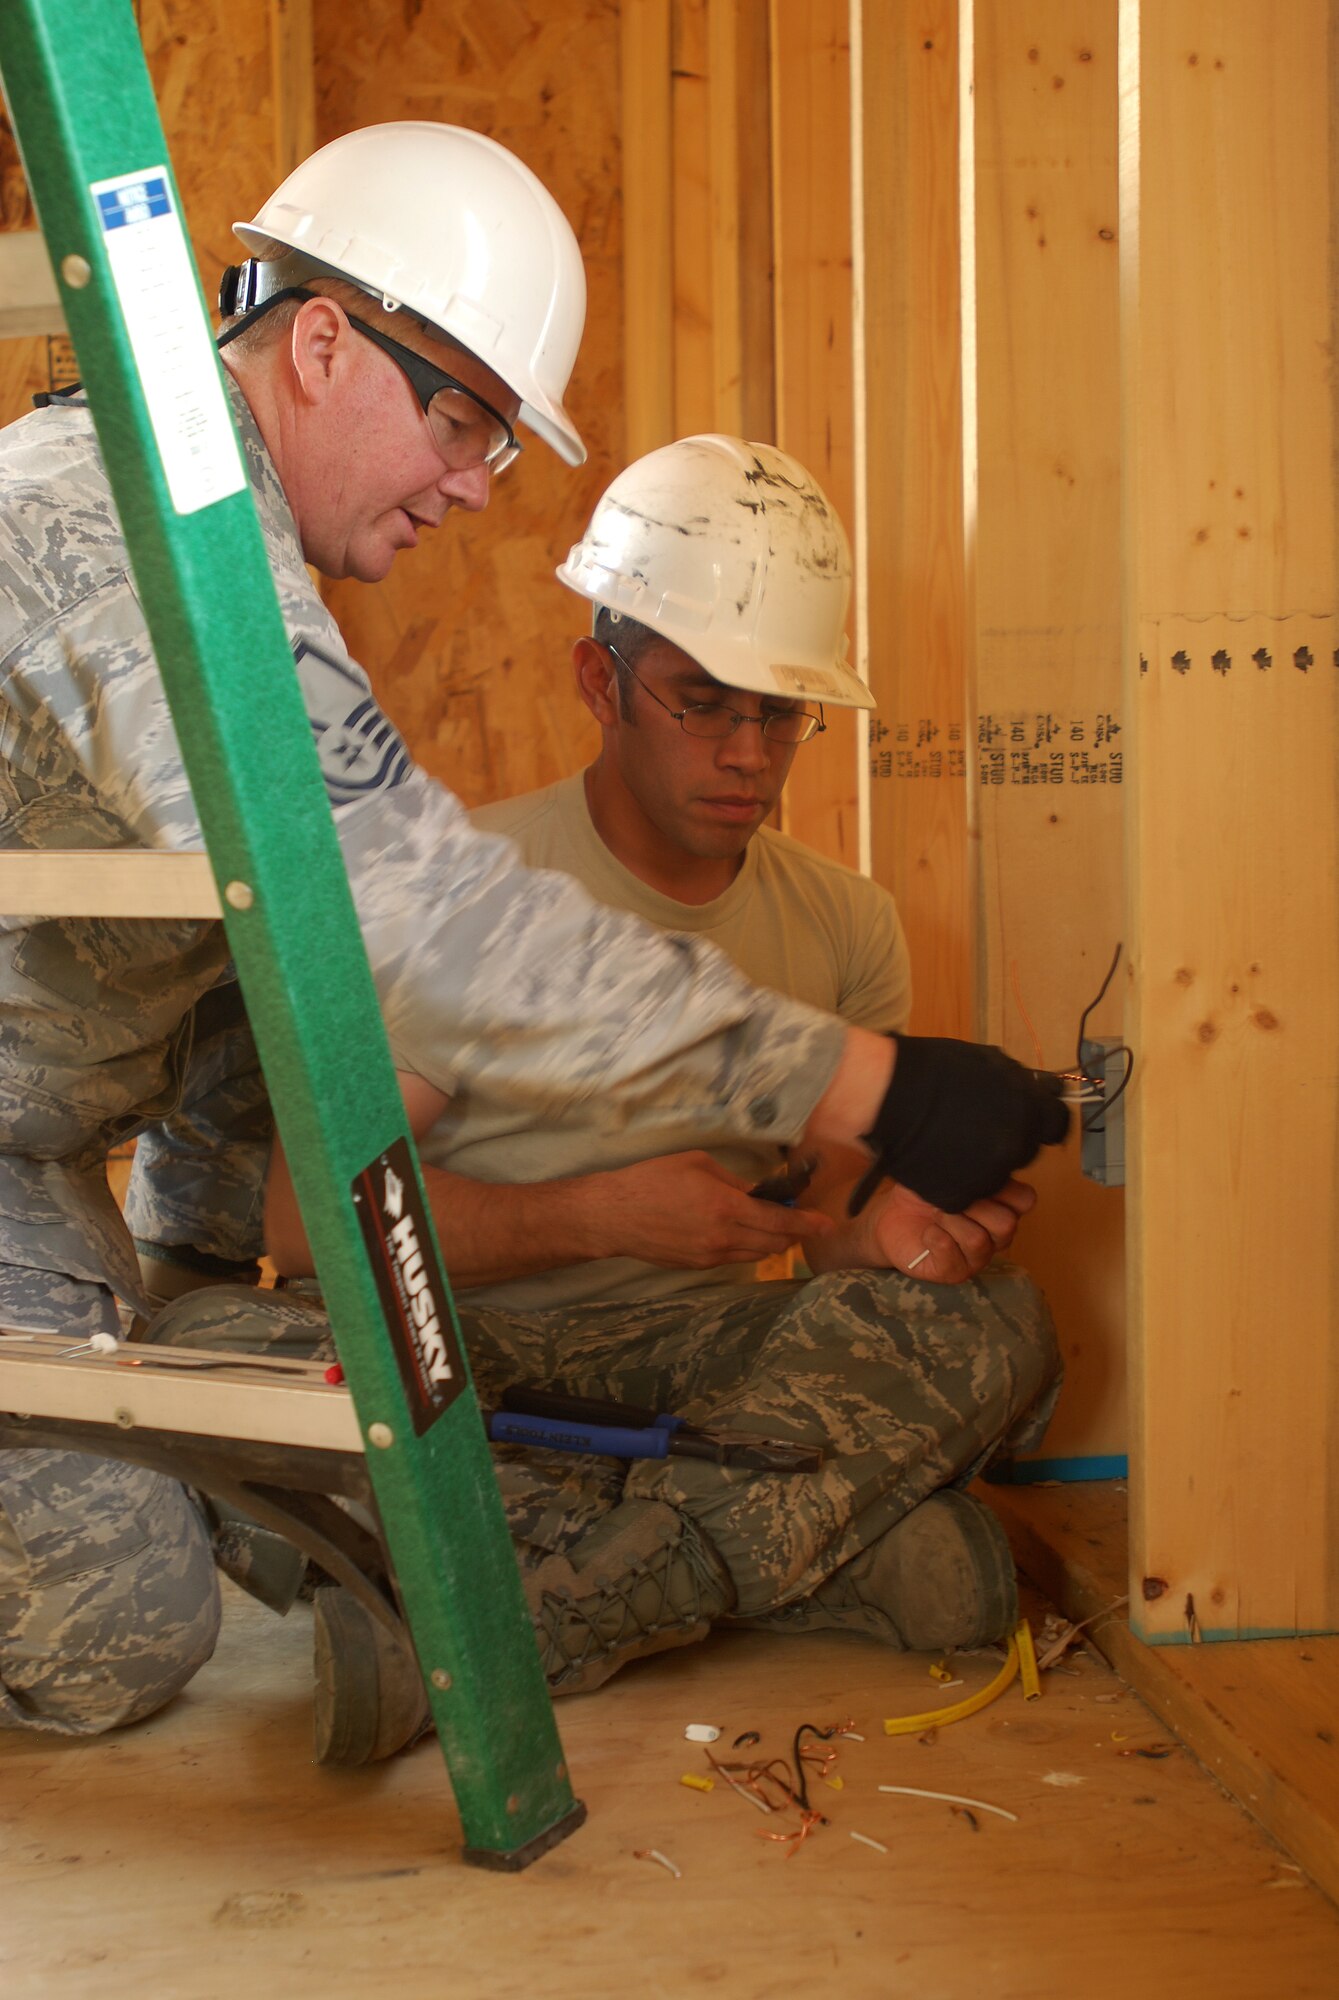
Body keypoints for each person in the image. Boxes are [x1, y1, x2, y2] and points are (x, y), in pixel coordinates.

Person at [0, 124, 1064, 1755]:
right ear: (328, 341)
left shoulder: (231, 549)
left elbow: (255, 1026)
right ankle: (768, 1547)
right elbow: (417, 911)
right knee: (119, 1640)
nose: (479, 484)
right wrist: (869, 1086)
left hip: (43, 1167)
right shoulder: (124, 535)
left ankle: (586, 1565)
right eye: (462, 421)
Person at [262, 438, 1063, 1762]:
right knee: (240, 1355)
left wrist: (879, 1247)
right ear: (602, 681)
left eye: (783, 714)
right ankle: (811, 1552)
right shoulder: (467, 894)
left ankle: (505, 1613)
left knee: (992, 1329)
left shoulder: (849, 929)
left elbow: (826, 1227)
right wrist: (593, 1217)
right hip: (469, 1363)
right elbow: (303, 1222)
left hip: (701, 1379)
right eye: (703, 703)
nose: (748, 753)